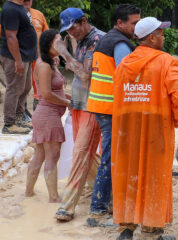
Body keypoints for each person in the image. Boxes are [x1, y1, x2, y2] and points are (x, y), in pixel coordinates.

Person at [111, 17, 178, 240]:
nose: (163, 38)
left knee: (128, 176)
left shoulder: (125, 63)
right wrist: (174, 118)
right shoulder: (166, 62)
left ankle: (126, 227)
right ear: (152, 38)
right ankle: (152, 228)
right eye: (161, 34)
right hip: (156, 128)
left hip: (126, 130)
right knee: (154, 176)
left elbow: (117, 96)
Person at [85, 4, 141, 227]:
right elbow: (128, 76)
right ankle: (98, 209)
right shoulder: (120, 43)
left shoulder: (106, 39)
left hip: (101, 106)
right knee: (110, 159)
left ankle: (102, 205)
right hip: (111, 109)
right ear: (120, 23)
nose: (137, 27)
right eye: (133, 23)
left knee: (109, 156)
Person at [53, 7, 105, 222]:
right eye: (68, 30)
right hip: (79, 103)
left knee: (81, 153)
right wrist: (71, 48)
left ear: (83, 21)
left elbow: (85, 75)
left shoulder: (97, 40)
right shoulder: (82, 40)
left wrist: (64, 53)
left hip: (92, 105)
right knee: (85, 152)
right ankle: (104, 194)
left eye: (73, 28)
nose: (71, 33)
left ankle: (67, 206)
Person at [25, 29, 70, 202]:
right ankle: (53, 198)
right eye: (57, 42)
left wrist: (73, 99)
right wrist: (69, 104)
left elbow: (57, 90)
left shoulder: (50, 62)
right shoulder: (44, 65)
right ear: (47, 44)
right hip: (47, 115)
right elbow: (47, 94)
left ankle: (28, 193)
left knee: (41, 155)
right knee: (52, 155)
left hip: (47, 115)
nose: (61, 45)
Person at [0, 0, 37, 134]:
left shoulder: (20, 6)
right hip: (15, 57)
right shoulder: (11, 9)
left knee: (25, 87)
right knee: (14, 89)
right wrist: (18, 60)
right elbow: (10, 37)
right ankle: (9, 124)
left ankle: (19, 117)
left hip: (25, 56)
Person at [22, 0, 49, 111]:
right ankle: (21, 113)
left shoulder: (39, 14)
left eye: (29, 0)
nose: (27, 2)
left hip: (38, 57)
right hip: (21, 58)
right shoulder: (13, 13)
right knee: (22, 86)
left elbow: (47, 35)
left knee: (39, 85)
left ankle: (38, 110)